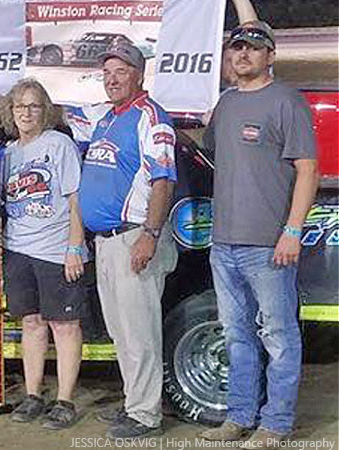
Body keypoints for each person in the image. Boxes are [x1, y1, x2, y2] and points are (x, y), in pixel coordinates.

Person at [199, 22, 318, 449]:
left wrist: (292, 230)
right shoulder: (226, 104)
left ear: (270, 56)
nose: (243, 53)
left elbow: (308, 169)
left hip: (268, 245)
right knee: (236, 334)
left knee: (280, 336)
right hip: (224, 243)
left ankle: (277, 423)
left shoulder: (287, 101)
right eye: (237, 47)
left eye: (253, 47)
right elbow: (215, 155)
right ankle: (240, 416)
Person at [66, 42, 178, 438]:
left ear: (139, 75)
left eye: (121, 72)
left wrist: (150, 234)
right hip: (107, 241)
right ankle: (135, 403)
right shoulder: (108, 118)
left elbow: (164, 180)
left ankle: (146, 415)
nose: (113, 79)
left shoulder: (152, 118)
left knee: (139, 332)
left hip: (134, 238)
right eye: (107, 73)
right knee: (121, 331)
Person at [0, 79, 87, 430]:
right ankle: (34, 395)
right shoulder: (7, 154)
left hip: (55, 250)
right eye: (20, 106)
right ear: (11, 111)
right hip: (18, 249)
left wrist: (74, 247)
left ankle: (65, 400)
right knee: (31, 324)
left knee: (64, 326)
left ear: (45, 110)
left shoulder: (60, 144)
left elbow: (75, 199)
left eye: (34, 106)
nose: (26, 112)